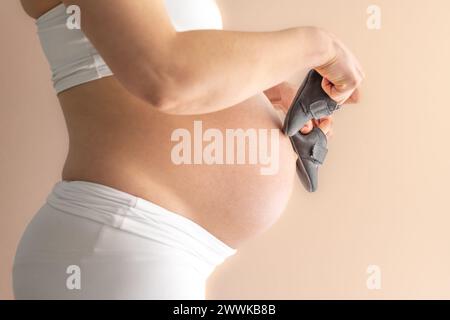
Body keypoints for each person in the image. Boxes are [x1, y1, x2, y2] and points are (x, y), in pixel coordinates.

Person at [13, 0, 364, 299]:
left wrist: (258, 90)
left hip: (147, 247)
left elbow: (168, 57)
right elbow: (165, 75)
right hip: (119, 236)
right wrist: (320, 46)